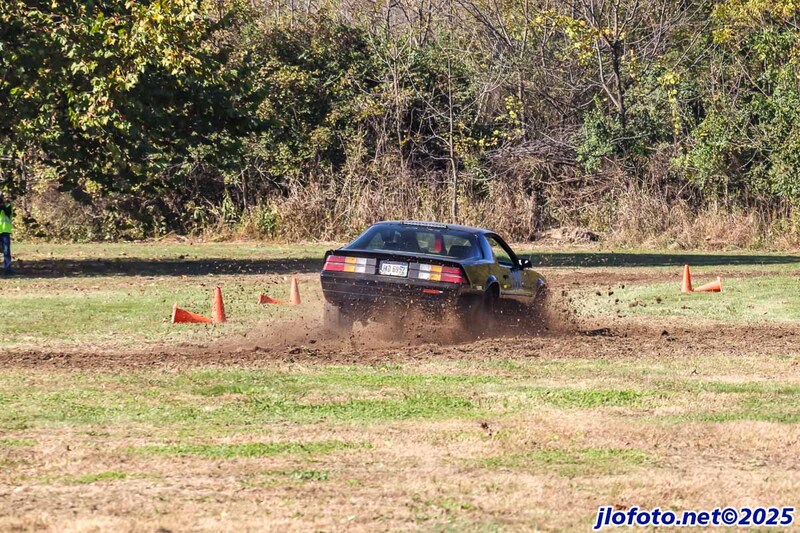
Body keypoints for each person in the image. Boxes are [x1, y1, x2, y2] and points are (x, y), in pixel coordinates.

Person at [0, 191, 12, 275]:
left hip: (5, 231)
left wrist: (3, 207)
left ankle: (8, 269)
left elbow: (8, 213)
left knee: (6, 251)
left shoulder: (7, 205)